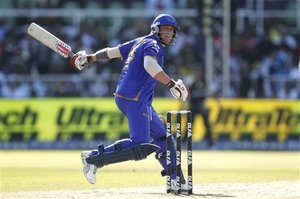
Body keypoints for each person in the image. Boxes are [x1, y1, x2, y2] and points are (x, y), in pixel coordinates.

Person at [71, 14, 190, 189]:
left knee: (162, 136)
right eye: (165, 29)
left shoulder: (140, 41)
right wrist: (171, 84)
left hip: (135, 99)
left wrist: (91, 57)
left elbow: (112, 52)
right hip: (134, 98)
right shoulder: (153, 44)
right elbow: (149, 65)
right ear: (155, 29)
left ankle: (176, 180)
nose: (168, 33)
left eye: (171, 30)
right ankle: (93, 159)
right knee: (140, 146)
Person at [186, 69, 213, 146]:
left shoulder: (204, 83)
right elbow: (188, 94)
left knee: (206, 124)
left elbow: (208, 93)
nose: (198, 75)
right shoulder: (192, 83)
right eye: (197, 74)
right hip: (193, 106)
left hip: (201, 105)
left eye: (199, 74)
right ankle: (185, 140)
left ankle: (210, 141)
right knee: (190, 124)